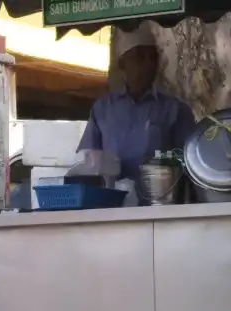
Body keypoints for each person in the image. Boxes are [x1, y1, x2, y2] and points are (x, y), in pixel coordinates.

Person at [77, 23, 196, 204]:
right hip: (111, 208)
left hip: (160, 209)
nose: (148, 65)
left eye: (153, 58)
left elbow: (191, 166)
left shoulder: (175, 110)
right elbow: (87, 160)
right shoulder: (103, 109)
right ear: (122, 63)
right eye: (140, 58)